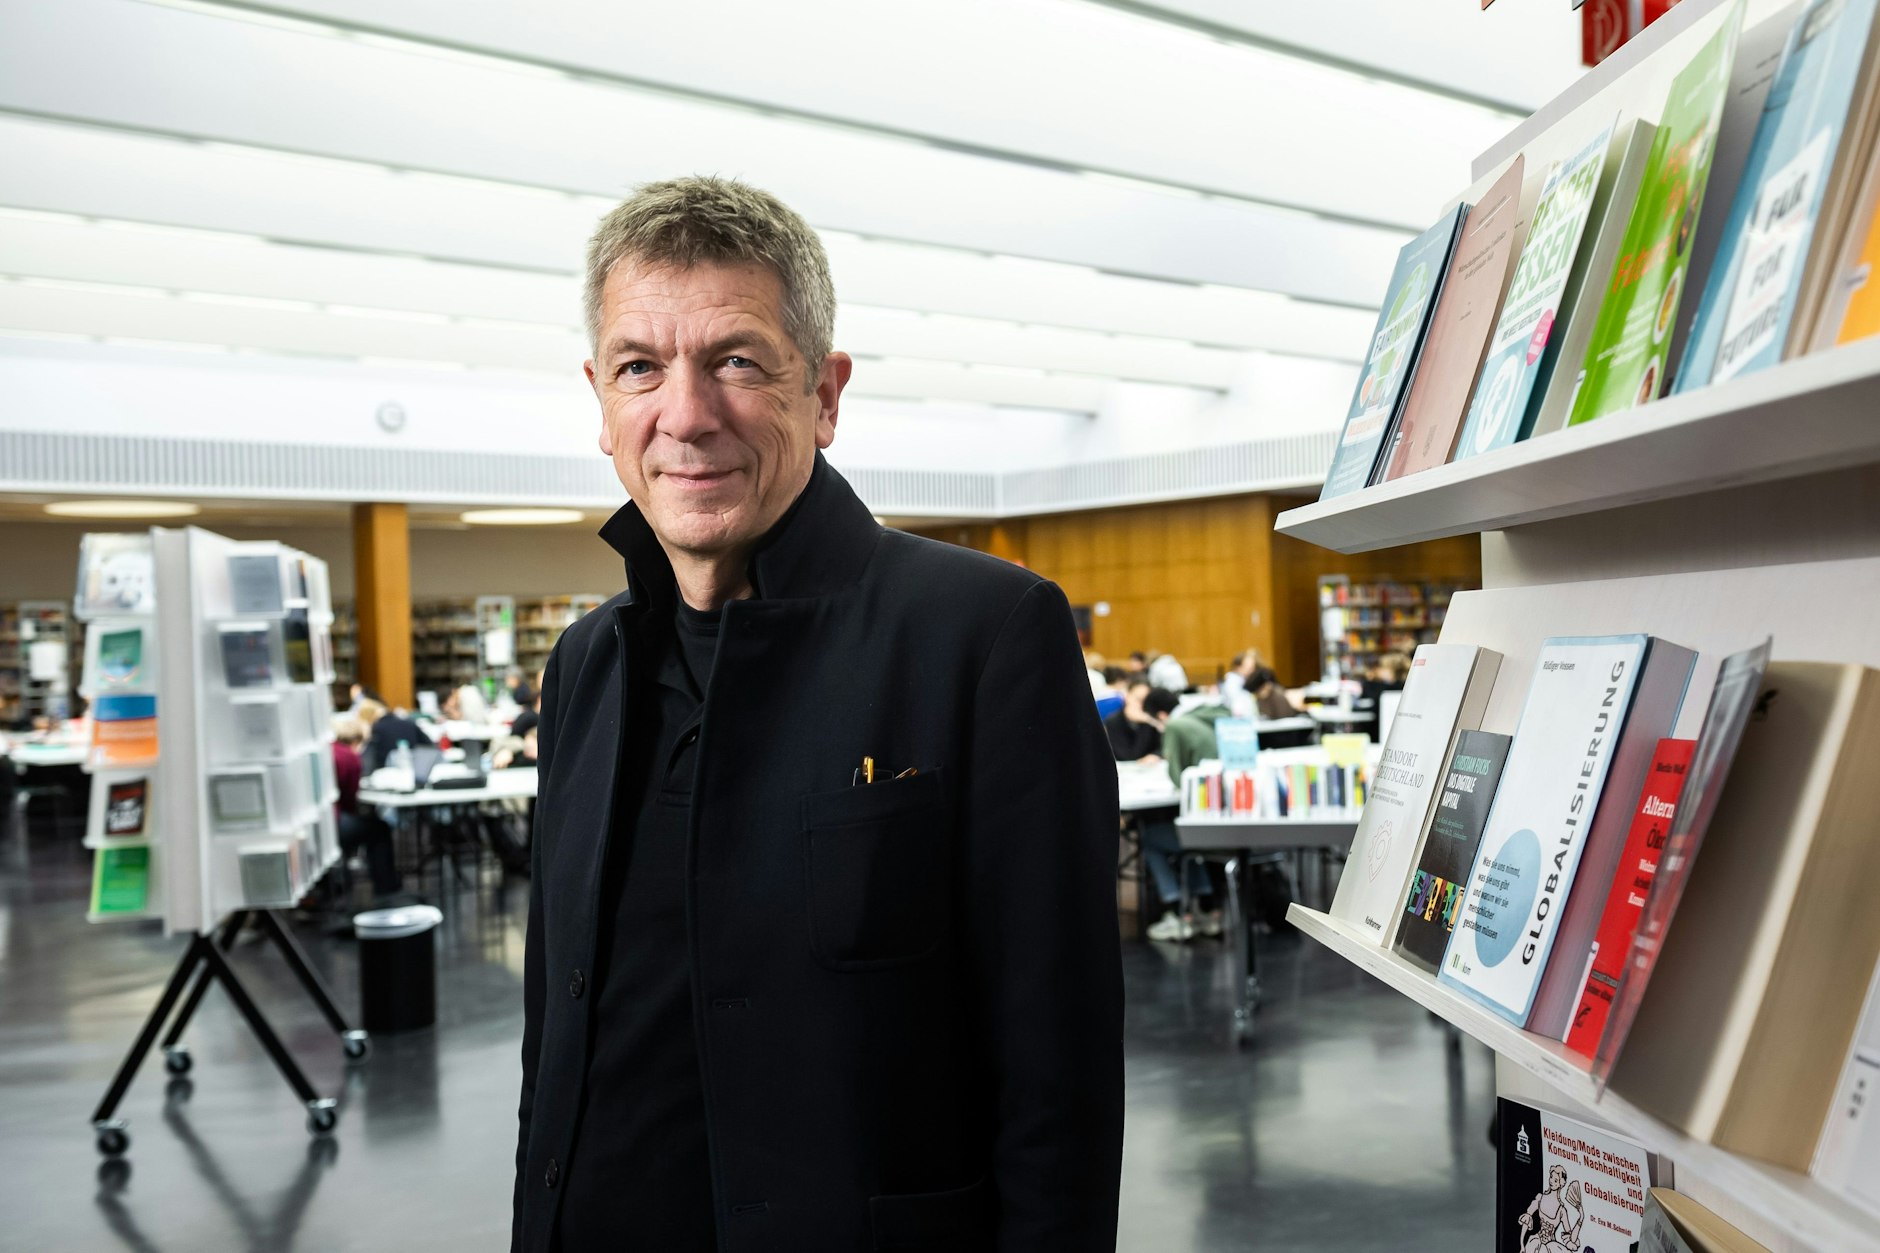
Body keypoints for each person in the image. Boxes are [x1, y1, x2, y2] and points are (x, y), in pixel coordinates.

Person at [513, 177, 1122, 1253]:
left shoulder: (981, 636)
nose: (686, 413)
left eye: (736, 360)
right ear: (601, 398)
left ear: (826, 393)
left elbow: (1056, 1073)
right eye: (639, 366)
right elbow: (555, 1028)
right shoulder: (584, 664)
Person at [331, 716, 401, 898]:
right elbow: (350, 800)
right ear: (357, 740)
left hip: (322, 823)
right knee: (379, 828)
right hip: (335, 823)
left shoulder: (328, 751)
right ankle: (386, 888)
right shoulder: (350, 757)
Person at [1104, 679, 1177, 762]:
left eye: (1145, 701)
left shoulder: (1151, 719)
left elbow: (1165, 746)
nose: (1141, 705)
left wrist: (1156, 755)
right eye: (1138, 699)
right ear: (1127, 696)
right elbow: (1129, 756)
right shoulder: (1113, 721)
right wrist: (1144, 721)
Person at [355, 698, 432, 775]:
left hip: (384, 775)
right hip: (414, 771)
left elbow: (366, 761)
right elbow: (429, 745)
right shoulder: (409, 723)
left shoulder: (376, 730)